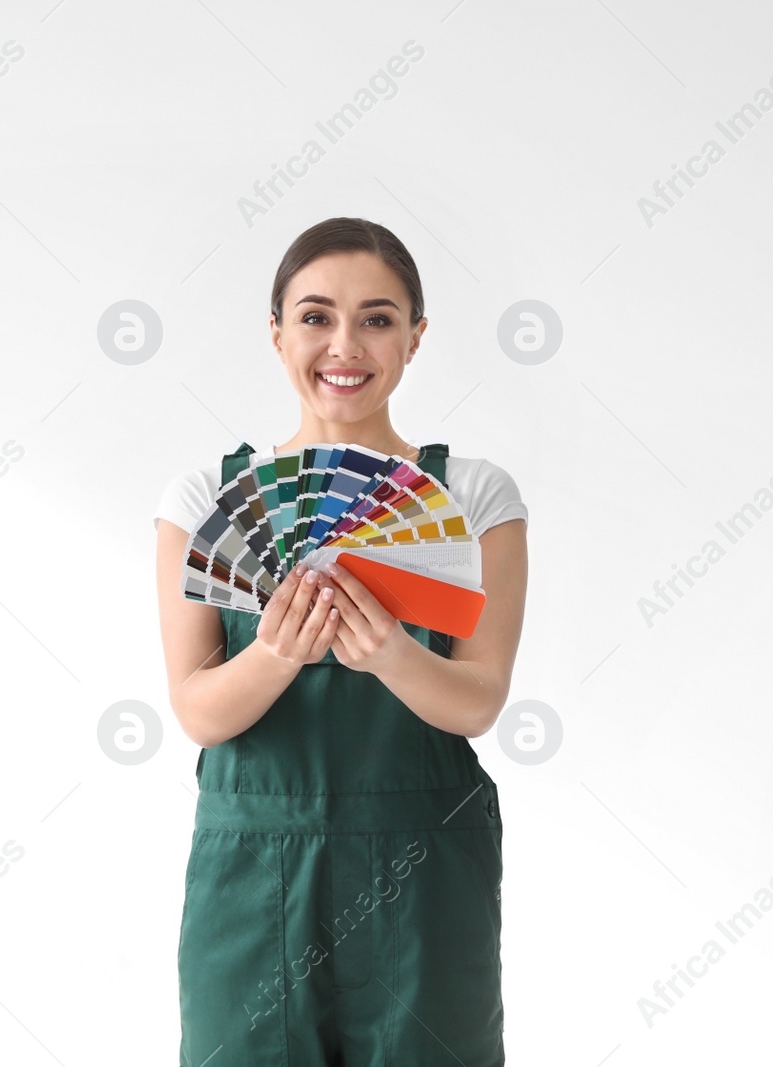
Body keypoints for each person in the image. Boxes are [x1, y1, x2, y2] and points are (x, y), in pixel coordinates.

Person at [152, 216, 529, 1065]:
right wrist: (277, 652)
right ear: (277, 332)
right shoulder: (205, 496)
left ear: (416, 337)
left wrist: (389, 651)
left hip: (422, 860)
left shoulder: (474, 496)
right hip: (249, 866)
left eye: (379, 318)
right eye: (317, 316)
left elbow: (478, 700)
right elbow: (197, 709)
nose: (345, 344)